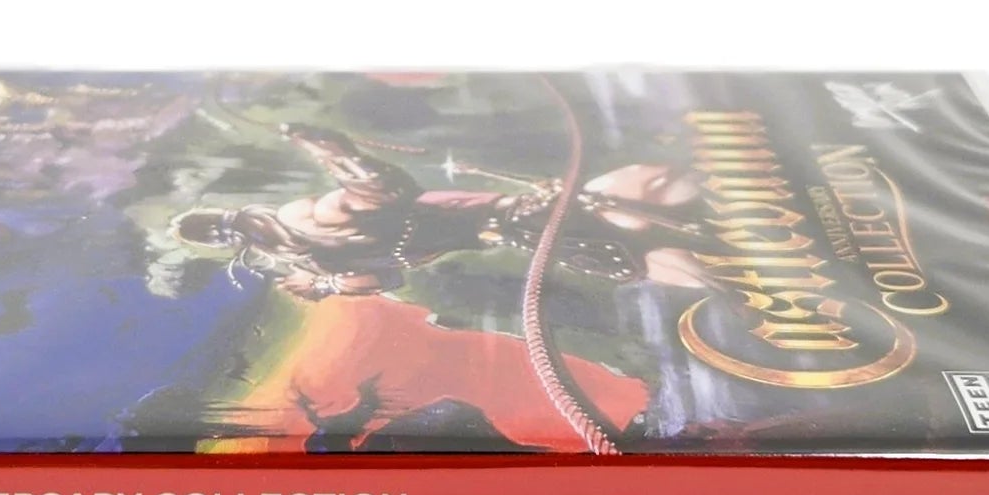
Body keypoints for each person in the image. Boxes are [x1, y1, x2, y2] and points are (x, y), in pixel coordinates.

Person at [171, 124, 710, 300]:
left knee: (649, 239)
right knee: (650, 203)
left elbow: (386, 268)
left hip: (522, 227)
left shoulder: (313, 257)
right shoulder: (308, 226)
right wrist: (337, 155)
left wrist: (326, 284)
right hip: (522, 220)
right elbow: (383, 197)